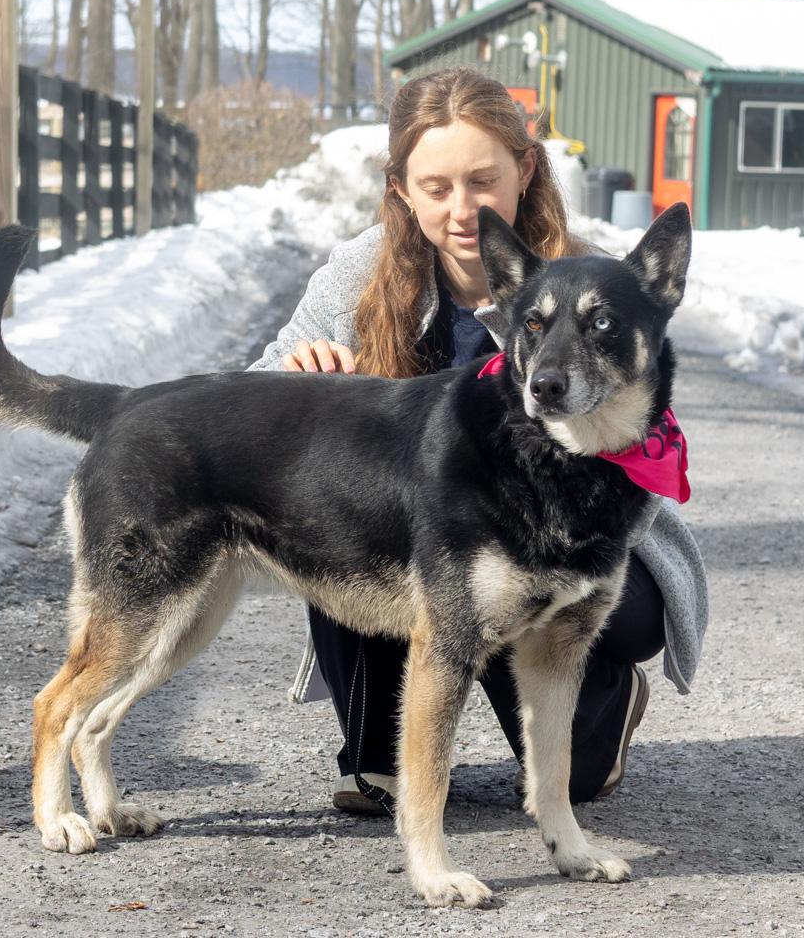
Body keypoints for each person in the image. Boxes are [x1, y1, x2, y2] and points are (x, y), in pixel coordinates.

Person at [247, 67, 708, 815]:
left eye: (481, 180)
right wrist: (293, 381)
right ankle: (379, 753)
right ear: (400, 188)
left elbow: (646, 430)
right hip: (404, 540)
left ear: (525, 170)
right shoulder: (357, 277)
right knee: (338, 506)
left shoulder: (586, 282)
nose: (461, 209)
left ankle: (595, 712)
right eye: (435, 187)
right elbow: (253, 400)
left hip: (564, 539)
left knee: (561, 616)